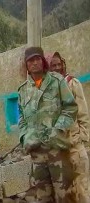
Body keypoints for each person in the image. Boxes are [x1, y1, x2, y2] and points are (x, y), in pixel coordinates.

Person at [18, 47, 78, 203]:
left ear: (43, 61)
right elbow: (21, 118)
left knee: (65, 195)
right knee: (42, 197)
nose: (35, 63)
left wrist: (57, 130)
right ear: (26, 65)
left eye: (38, 59)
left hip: (57, 149)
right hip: (37, 153)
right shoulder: (23, 91)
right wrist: (25, 137)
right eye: (31, 60)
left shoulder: (57, 81)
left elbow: (70, 108)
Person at [48, 52, 90, 202]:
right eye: (54, 65)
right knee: (64, 193)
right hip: (58, 150)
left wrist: (82, 137)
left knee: (82, 189)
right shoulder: (46, 90)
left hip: (75, 146)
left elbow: (83, 114)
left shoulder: (72, 83)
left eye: (59, 64)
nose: (58, 68)